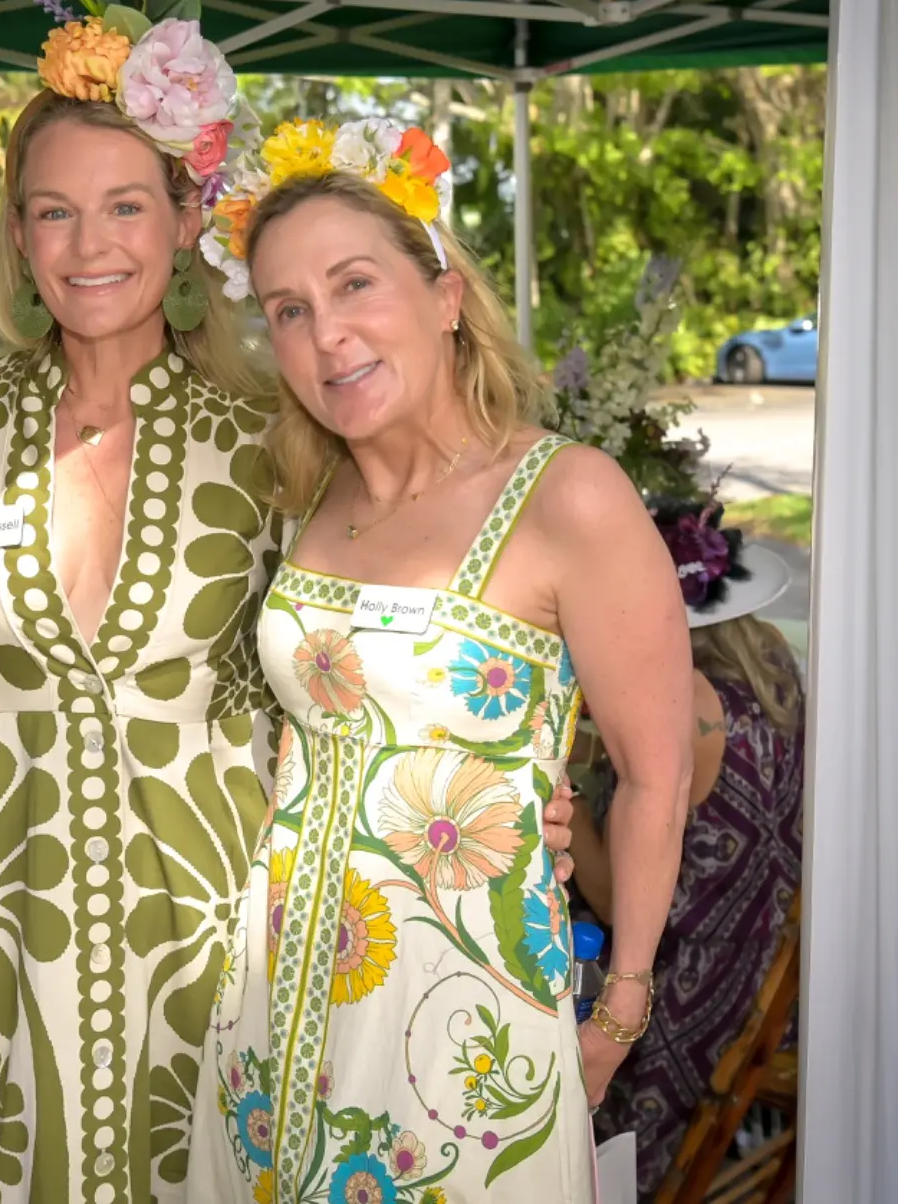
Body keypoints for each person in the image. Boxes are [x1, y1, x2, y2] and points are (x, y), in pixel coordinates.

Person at [0, 0, 583, 1203]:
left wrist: (519, 793)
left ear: (185, 220)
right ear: (18, 232)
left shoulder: (274, 441)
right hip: (2, 953)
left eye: (125, 205)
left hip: (231, 961)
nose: (89, 244)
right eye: (54, 212)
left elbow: (404, 644)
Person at [191, 122, 694, 1203]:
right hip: (272, 1001)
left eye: (354, 284)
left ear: (446, 295)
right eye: (288, 309)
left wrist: (620, 1007)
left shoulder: (566, 495)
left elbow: (658, 773)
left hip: (461, 1023)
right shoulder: (311, 495)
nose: (327, 334)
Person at [570, 499, 805, 1199]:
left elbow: (613, 897)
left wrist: (564, 794)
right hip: (775, 974)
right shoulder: (770, 661)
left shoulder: (677, 698)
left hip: (686, 994)